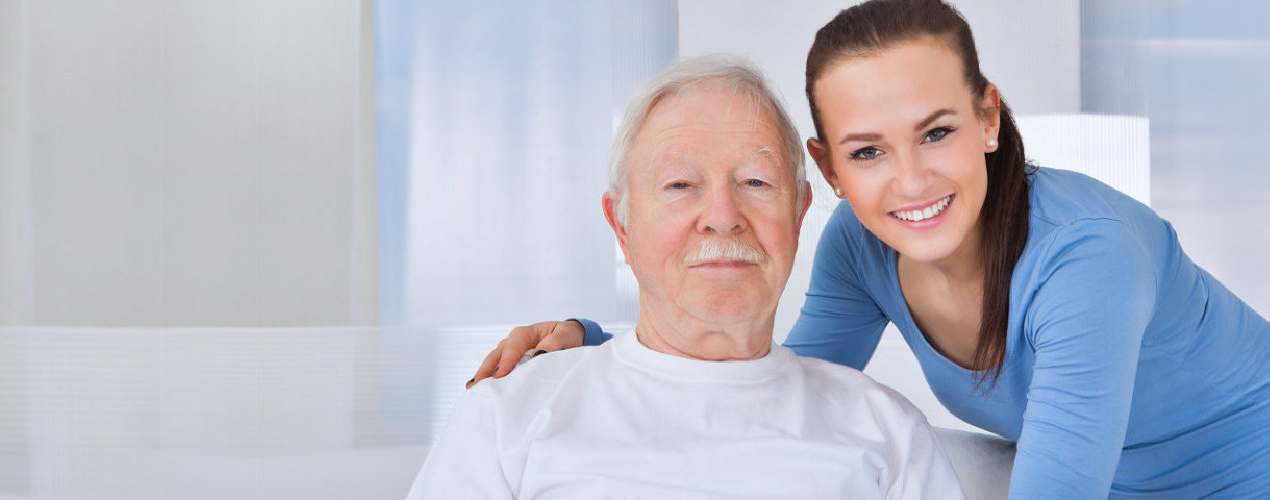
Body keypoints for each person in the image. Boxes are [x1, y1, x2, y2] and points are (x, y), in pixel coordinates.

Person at [473, 0, 1270, 497]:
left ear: (988, 116)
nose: (910, 180)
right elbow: (785, 383)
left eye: (935, 131)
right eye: (867, 151)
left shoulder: (1086, 254)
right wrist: (611, 340)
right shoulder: (860, 244)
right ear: (829, 167)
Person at [409, 54, 964, 499]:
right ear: (621, 227)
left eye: (754, 181)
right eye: (679, 185)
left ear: (798, 217)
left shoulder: (886, 432)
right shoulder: (509, 414)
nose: (723, 215)